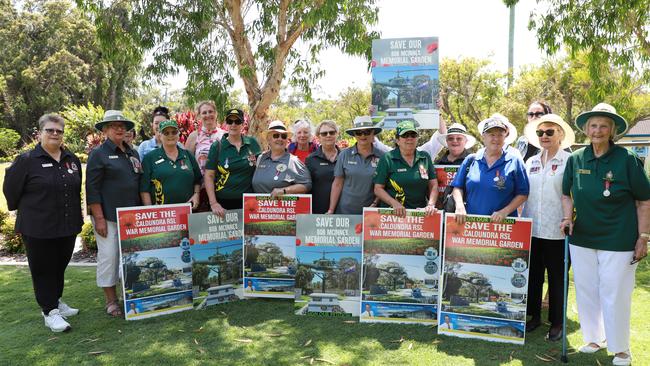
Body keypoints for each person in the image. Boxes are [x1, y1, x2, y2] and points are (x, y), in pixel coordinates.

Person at [560, 103, 650, 366]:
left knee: (615, 293)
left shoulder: (627, 159)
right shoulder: (575, 159)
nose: (597, 130)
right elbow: (566, 194)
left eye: (603, 126)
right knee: (587, 290)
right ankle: (593, 338)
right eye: (593, 125)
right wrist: (567, 217)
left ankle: (621, 349)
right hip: (583, 238)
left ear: (612, 131)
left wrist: (643, 236)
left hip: (618, 239)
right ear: (586, 129)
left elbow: (644, 201)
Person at [3, 114, 82, 332]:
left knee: (59, 267)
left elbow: (76, 189)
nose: (55, 134)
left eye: (59, 131)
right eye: (50, 130)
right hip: (38, 227)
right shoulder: (27, 160)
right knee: (43, 269)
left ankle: (56, 301)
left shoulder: (71, 159)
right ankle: (49, 311)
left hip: (67, 226)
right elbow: (10, 191)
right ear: (40, 133)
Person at [521, 114, 575, 340]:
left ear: (560, 135)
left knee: (557, 278)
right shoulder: (530, 162)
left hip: (557, 230)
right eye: (540, 132)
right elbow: (523, 194)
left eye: (550, 132)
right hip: (532, 228)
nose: (544, 136)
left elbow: (573, 194)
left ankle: (557, 322)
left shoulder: (569, 161)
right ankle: (534, 316)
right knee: (533, 276)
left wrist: (569, 217)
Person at [86, 110, 142, 318]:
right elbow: (92, 189)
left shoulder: (132, 153)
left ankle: (130, 297)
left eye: (122, 126)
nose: (119, 129)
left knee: (130, 258)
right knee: (109, 257)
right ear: (105, 130)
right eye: (113, 126)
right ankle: (111, 300)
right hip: (107, 216)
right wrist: (98, 218)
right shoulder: (98, 154)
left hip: (131, 217)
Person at [451, 116, 529, 224]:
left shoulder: (514, 162)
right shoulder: (471, 160)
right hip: (472, 226)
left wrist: (505, 212)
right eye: (492, 134)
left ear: (505, 137)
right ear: (483, 136)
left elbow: (523, 194)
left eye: (500, 135)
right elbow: (457, 187)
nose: (496, 139)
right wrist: (459, 206)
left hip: (503, 227)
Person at [373, 120, 438, 217]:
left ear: (417, 138)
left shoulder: (424, 157)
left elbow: (433, 185)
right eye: (405, 135)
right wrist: (393, 203)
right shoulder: (387, 158)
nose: (410, 138)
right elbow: (378, 189)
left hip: (419, 216)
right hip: (392, 216)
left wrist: (431, 204)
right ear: (397, 140)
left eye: (413, 135)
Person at [204, 108, 261, 215]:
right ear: (226, 124)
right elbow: (209, 175)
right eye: (230, 121)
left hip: (248, 202)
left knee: (248, 232)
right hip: (223, 202)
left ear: (243, 124)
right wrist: (213, 203)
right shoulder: (218, 146)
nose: (233, 124)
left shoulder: (252, 143)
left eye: (237, 121)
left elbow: (261, 168)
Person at [328, 117, 387, 214]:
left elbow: (383, 185)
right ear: (354, 135)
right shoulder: (344, 154)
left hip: (370, 211)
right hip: (345, 211)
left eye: (367, 132)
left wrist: (375, 203)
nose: (363, 135)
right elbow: (337, 183)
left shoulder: (382, 156)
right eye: (359, 132)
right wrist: (331, 210)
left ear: (373, 133)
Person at [140, 120, 202, 208]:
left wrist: (196, 194)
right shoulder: (150, 158)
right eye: (166, 133)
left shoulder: (188, 155)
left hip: (187, 211)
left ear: (178, 134)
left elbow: (197, 180)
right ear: (160, 135)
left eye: (174, 132)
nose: (170, 135)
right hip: (162, 214)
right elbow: (144, 189)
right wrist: (150, 210)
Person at [185, 101, 226, 211]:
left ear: (216, 113)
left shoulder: (224, 135)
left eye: (210, 111)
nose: (208, 115)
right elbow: (187, 164)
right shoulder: (194, 136)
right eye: (204, 112)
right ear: (199, 116)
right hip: (200, 188)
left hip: (220, 186)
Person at [252, 120, 311, 196]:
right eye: (276, 135)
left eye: (283, 136)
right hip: (258, 206)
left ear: (286, 140)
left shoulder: (293, 161)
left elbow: (307, 184)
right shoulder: (261, 158)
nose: (280, 139)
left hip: (282, 207)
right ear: (268, 139)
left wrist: (284, 191)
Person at [305, 120, 340, 214]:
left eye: (332, 132)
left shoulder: (345, 157)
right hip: (318, 212)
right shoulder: (311, 159)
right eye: (324, 133)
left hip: (343, 212)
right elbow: (306, 186)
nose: (328, 135)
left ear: (337, 134)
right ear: (318, 137)